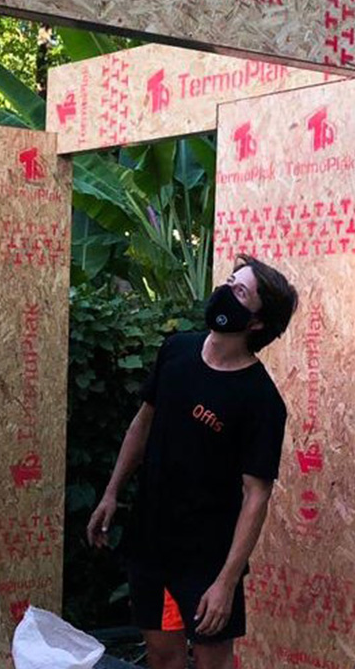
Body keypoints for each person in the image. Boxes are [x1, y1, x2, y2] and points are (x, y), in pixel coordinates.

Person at [87, 255, 297, 669]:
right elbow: (142, 424)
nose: (225, 292)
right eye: (229, 282)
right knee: (163, 657)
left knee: (210, 662)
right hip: (151, 543)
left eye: (240, 292)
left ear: (256, 322)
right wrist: (111, 493)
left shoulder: (261, 400)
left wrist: (226, 581)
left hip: (207, 560)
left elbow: (256, 496)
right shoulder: (176, 350)